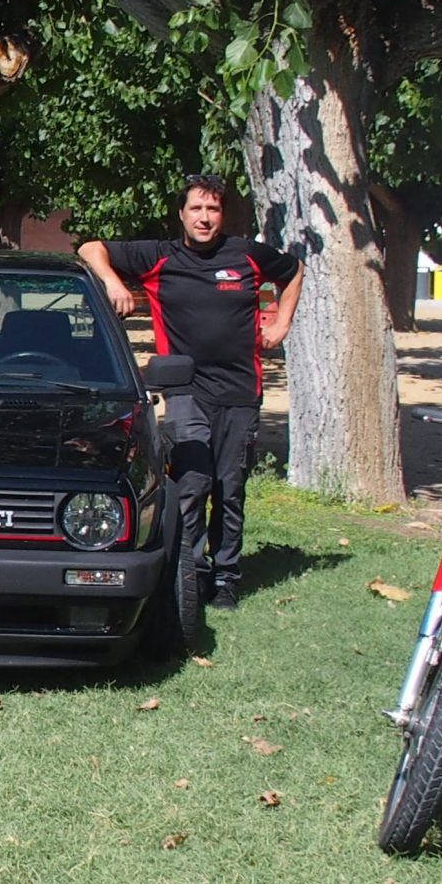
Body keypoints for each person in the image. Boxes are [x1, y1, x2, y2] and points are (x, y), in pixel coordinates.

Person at [81, 176, 304, 610]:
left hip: (240, 390)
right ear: (181, 214)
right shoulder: (160, 256)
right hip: (185, 390)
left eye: (213, 210)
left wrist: (281, 323)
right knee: (191, 482)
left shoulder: (245, 256)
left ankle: (226, 578)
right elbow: (90, 248)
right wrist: (113, 282)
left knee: (229, 486)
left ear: (223, 215)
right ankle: (191, 570)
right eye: (197, 209)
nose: (205, 218)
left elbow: (293, 271)